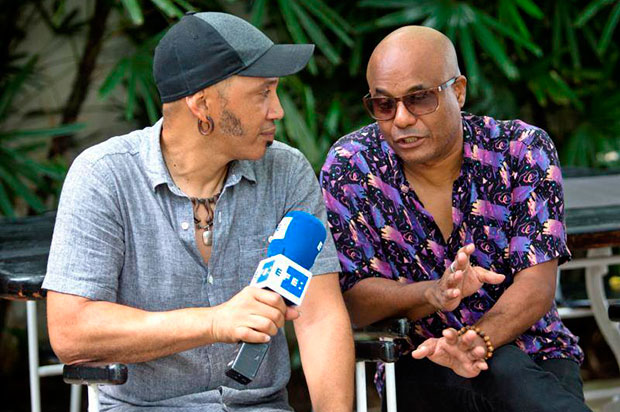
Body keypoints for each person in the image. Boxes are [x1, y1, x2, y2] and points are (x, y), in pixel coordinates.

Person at [44, 12, 353, 412]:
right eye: (263, 92)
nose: (276, 110)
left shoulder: (287, 172)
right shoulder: (105, 176)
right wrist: (213, 322)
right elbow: (71, 331)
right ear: (203, 104)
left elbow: (319, 317)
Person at [320, 25, 591, 412]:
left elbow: (537, 284)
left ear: (458, 91)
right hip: (421, 360)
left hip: (536, 353)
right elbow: (351, 299)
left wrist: (478, 340)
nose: (401, 119)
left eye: (418, 99)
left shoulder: (520, 150)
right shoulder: (353, 168)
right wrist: (430, 293)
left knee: (509, 367)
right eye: (384, 105)